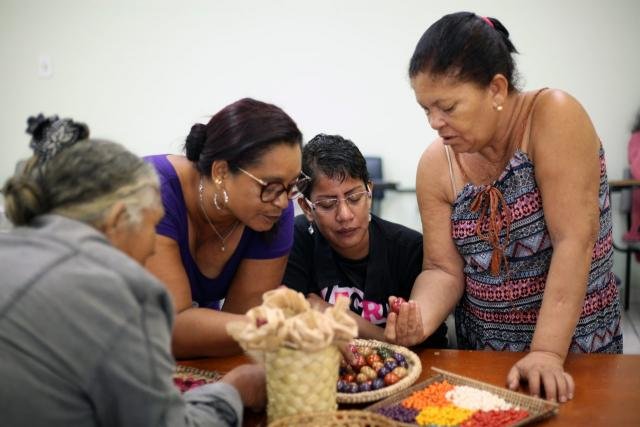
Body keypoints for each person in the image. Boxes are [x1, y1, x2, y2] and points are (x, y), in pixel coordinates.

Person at [385, 12, 622, 403]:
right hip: (485, 361)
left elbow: (574, 242)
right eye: (425, 109)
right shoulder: (436, 165)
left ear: (496, 89)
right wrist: (420, 319)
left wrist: (546, 352)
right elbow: (442, 269)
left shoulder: (554, 117)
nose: (434, 122)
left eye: (447, 107)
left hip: (573, 354)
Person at [0, 114, 267, 426]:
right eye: (153, 225)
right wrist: (233, 390)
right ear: (118, 218)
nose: (153, 247)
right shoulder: (122, 292)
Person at [144, 98, 306, 358]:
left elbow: (236, 326)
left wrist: (266, 326)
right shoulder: (151, 194)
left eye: (292, 186)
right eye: (271, 187)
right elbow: (170, 330)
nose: (283, 201)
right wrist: (276, 327)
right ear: (220, 172)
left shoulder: (271, 211)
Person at [283, 134, 447, 347]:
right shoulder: (295, 240)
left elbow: (429, 347)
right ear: (307, 208)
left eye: (354, 198)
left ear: (369, 192)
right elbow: (287, 328)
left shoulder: (410, 250)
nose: (344, 215)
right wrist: (387, 339)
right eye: (327, 204)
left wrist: (341, 318)